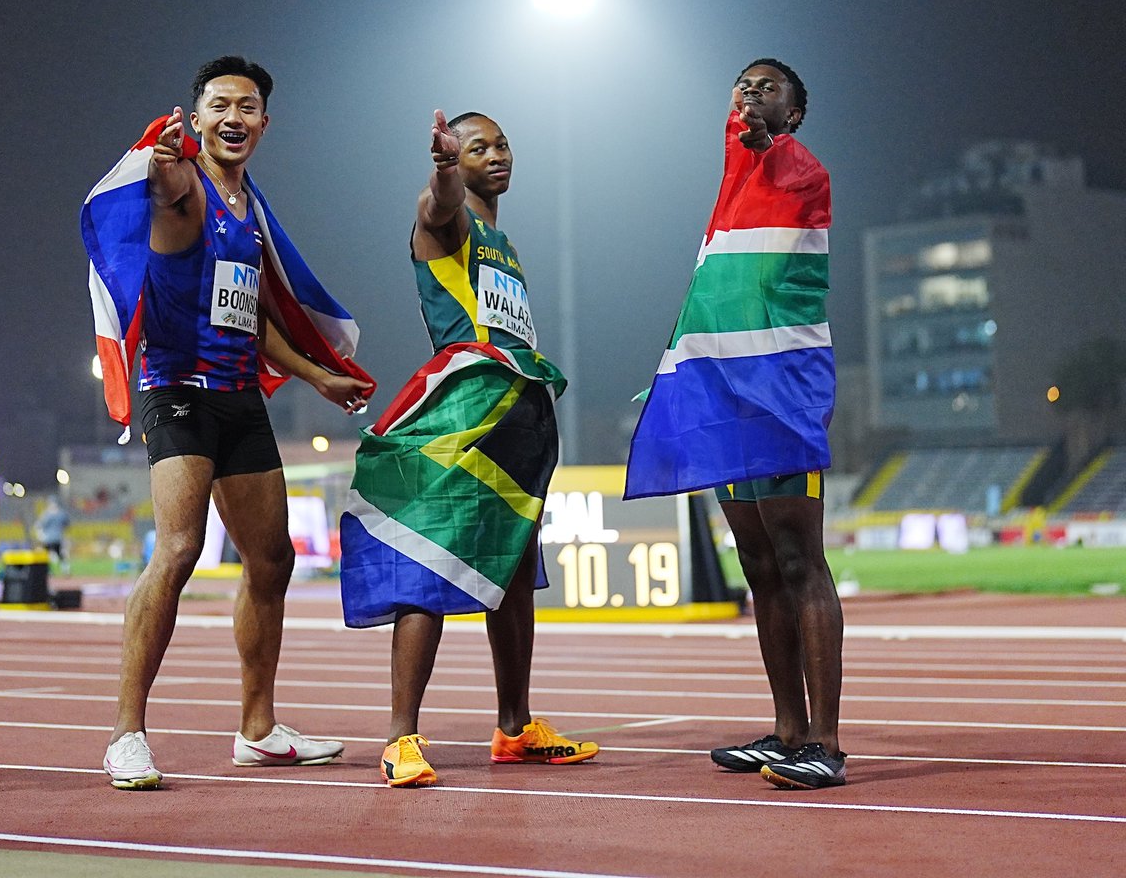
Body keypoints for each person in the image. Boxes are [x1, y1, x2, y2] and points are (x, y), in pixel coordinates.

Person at [82, 56, 375, 790]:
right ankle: (126, 735)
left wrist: (318, 376)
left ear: (264, 124)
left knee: (271, 560)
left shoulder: (252, 215)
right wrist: (158, 163)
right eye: (219, 105)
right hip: (177, 388)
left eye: (246, 107)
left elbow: (252, 320)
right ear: (199, 116)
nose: (233, 118)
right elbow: (164, 188)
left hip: (240, 396)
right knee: (178, 550)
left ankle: (258, 728)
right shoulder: (185, 187)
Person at [339, 109, 598, 787]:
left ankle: (515, 727)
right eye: (477, 146)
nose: (496, 154)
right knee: (430, 562)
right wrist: (444, 168)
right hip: (462, 415)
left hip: (519, 411)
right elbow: (437, 202)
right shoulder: (445, 222)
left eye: (501, 143)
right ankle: (400, 739)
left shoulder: (503, 242)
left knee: (513, 570)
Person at [625, 59, 845, 790]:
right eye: (743, 87)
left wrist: (762, 134)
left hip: (781, 391)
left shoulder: (802, 172)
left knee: (798, 561)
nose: (752, 96)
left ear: (796, 113)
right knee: (756, 566)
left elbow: (767, 148)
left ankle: (826, 742)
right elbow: (738, 140)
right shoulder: (731, 189)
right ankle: (785, 730)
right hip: (723, 392)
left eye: (770, 87)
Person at [33, 496, 71, 575]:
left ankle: (49, 571)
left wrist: (40, 535)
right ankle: (65, 569)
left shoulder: (46, 514)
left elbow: (38, 525)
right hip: (57, 537)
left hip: (48, 538)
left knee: (46, 555)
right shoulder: (61, 513)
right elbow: (67, 525)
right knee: (60, 554)